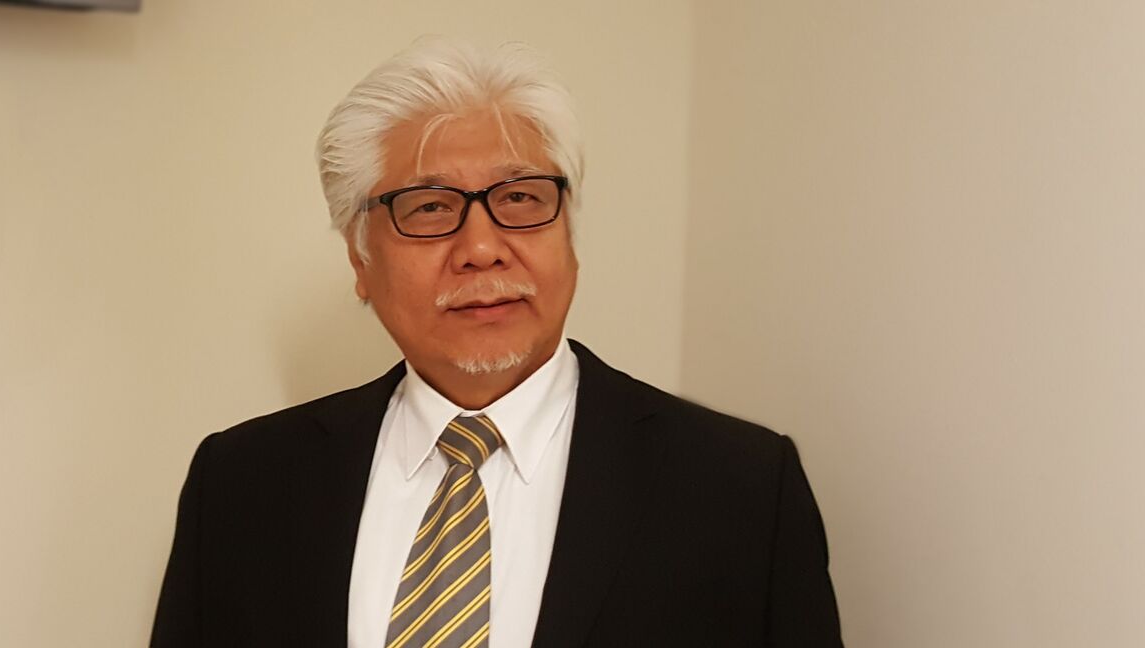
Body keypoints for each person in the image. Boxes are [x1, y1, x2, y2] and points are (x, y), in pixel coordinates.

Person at [151, 38, 842, 648]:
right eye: (429, 207)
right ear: (360, 259)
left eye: (520, 199)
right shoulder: (241, 484)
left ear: (569, 234)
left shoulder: (743, 487)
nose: (482, 248)